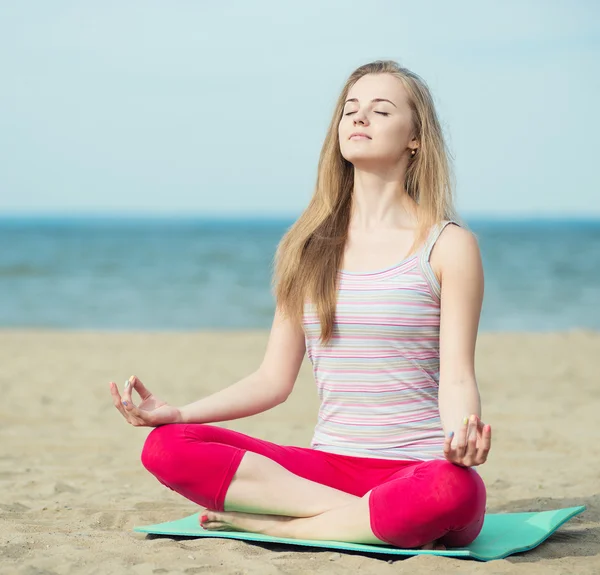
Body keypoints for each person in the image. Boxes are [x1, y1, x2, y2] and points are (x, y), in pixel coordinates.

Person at [109, 60, 492, 550]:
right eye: (350, 110)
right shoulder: (308, 247)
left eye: (379, 110)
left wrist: (463, 435)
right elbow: (273, 380)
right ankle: (355, 519)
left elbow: (458, 375)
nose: (359, 119)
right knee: (166, 446)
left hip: (415, 469)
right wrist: (180, 413)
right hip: (325, 472)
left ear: (415, 137)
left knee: (453, 490)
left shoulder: (448, 246)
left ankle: (277, 525)